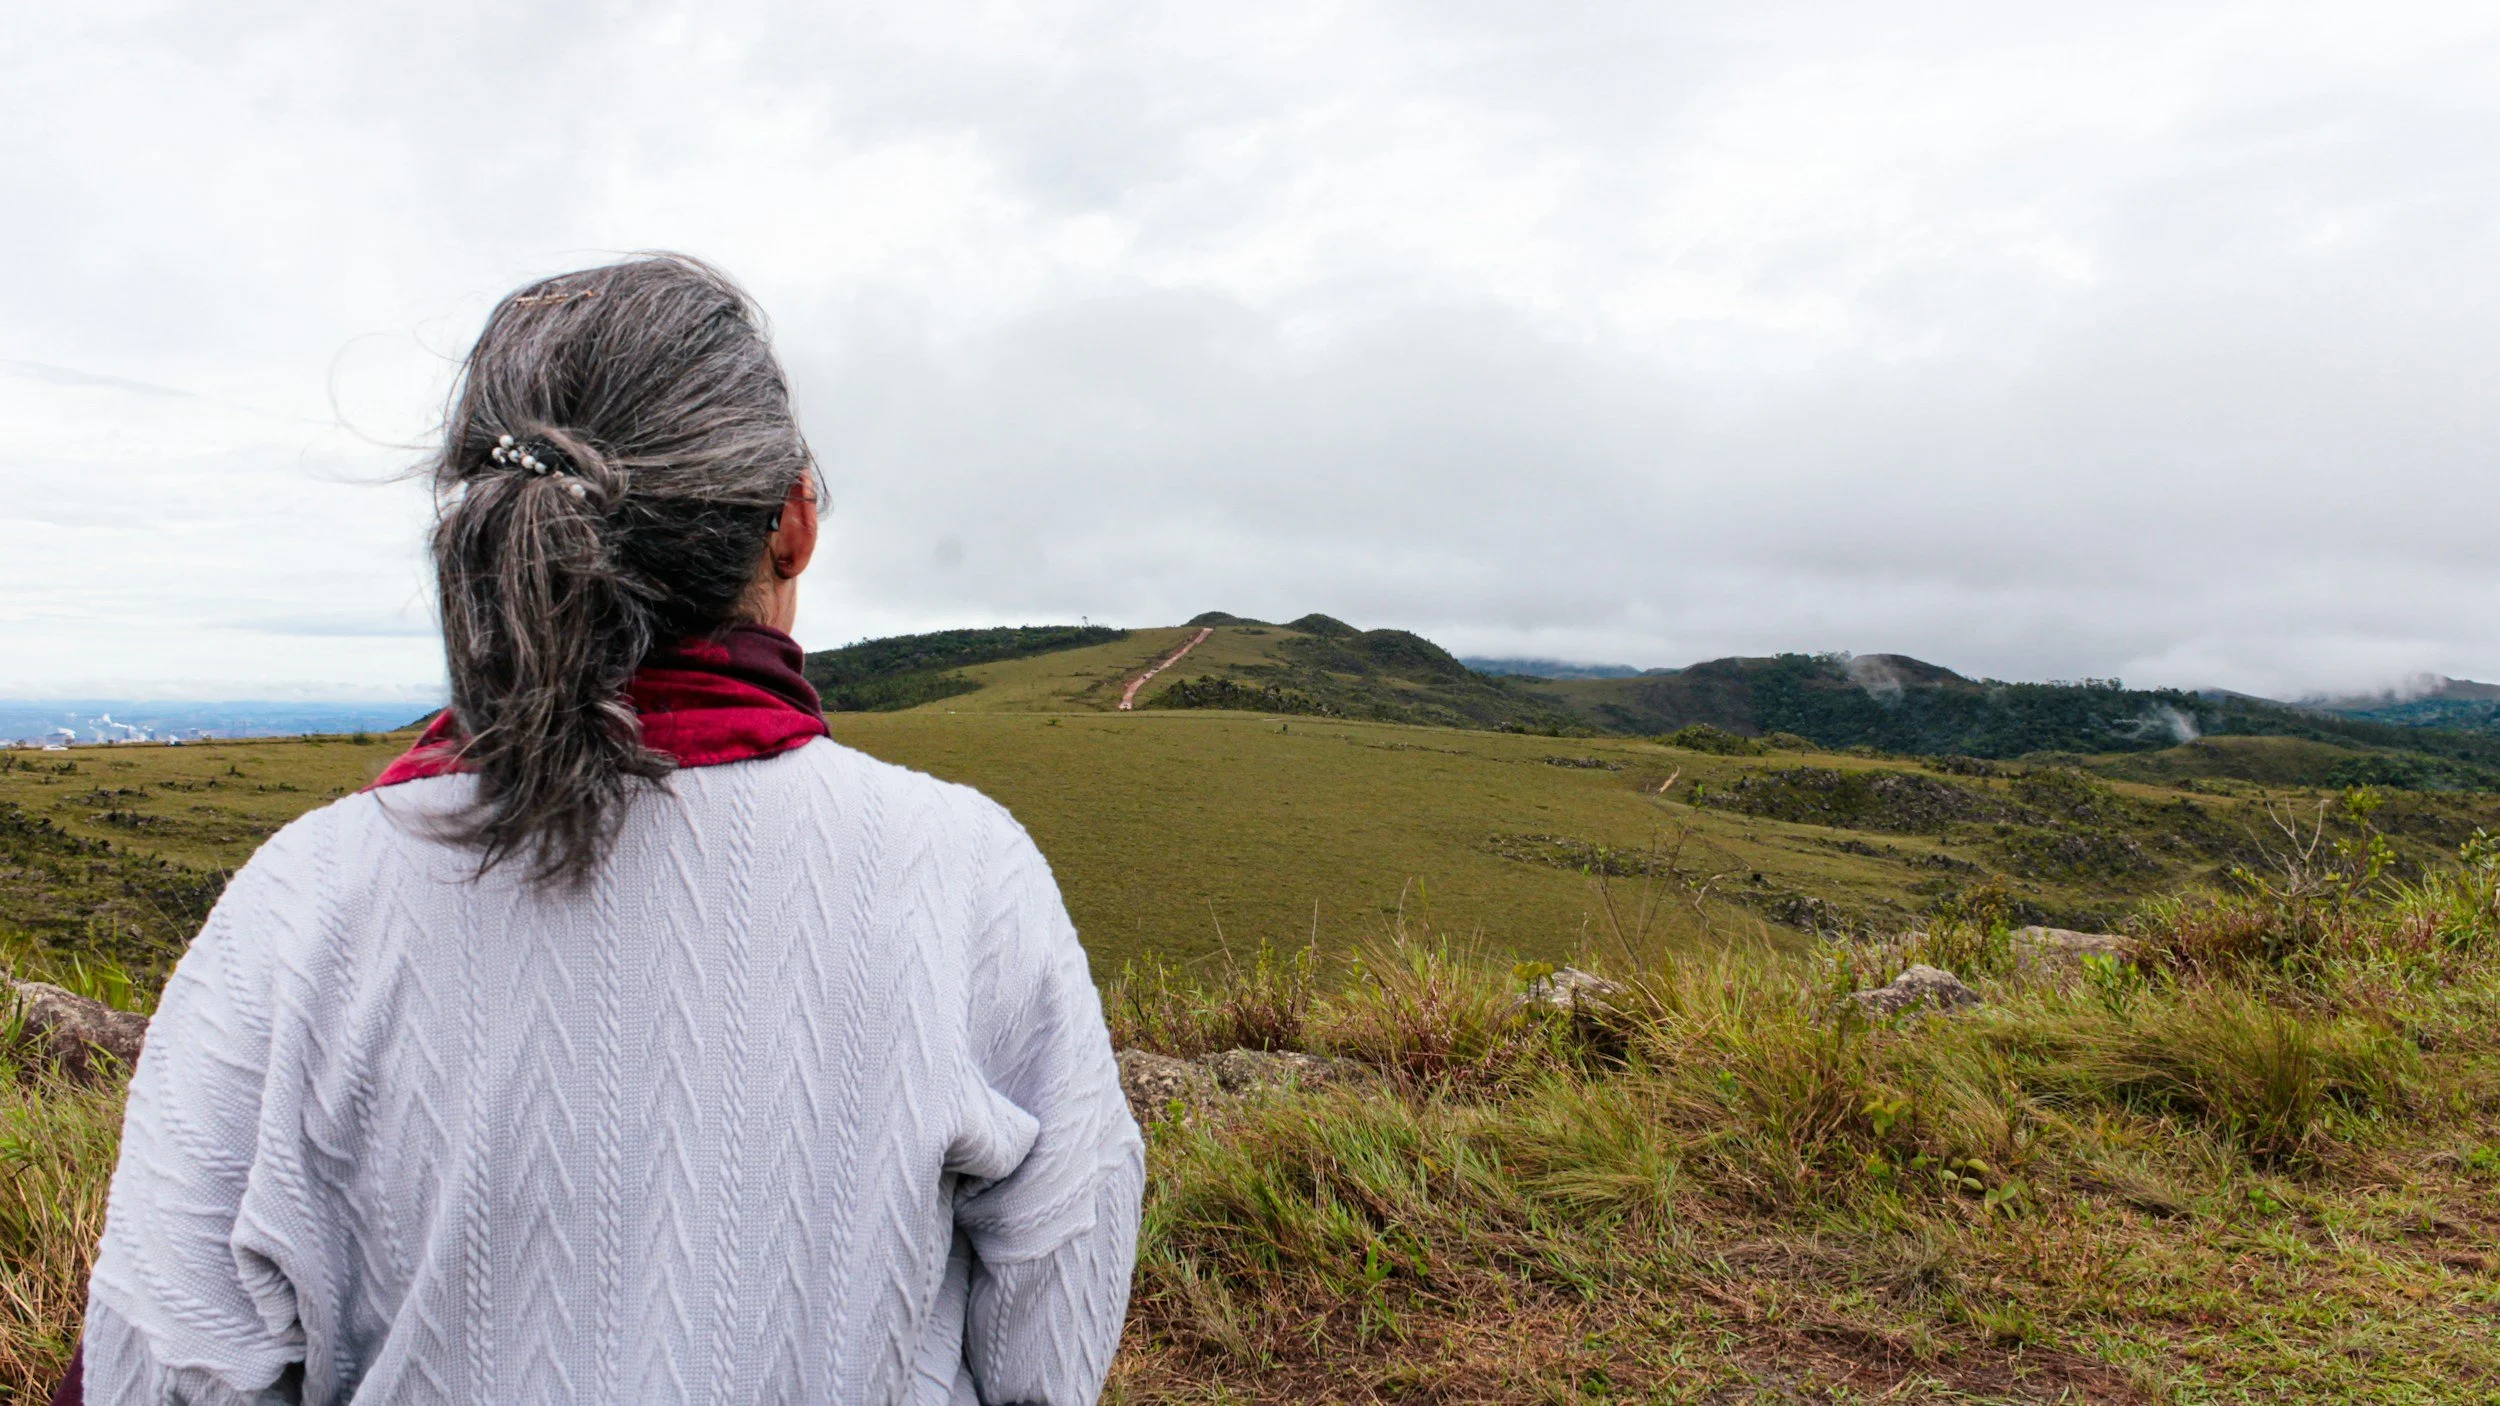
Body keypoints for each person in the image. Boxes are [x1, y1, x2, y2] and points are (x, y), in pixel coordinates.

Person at [77, 256, 1143, 1405]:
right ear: (792, 521)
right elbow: (1051, 1331)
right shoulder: (964, 874)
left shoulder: (305, 902)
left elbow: (166, 1360)